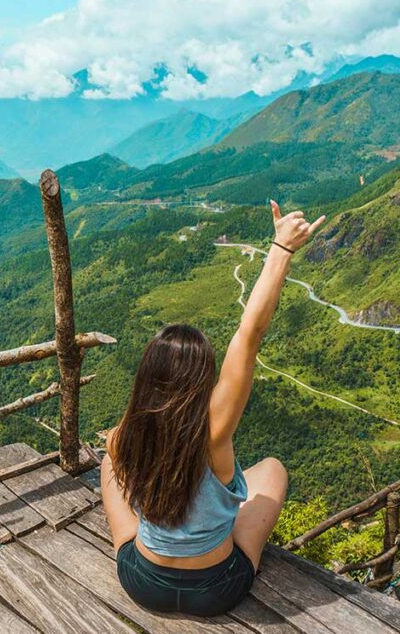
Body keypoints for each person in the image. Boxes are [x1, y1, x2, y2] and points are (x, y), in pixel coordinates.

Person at [101, 200, 327, 616]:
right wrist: (282, 249)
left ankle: (144, 544)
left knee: (109, 460)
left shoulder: (126, 437)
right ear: (204, 380)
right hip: (218, 590)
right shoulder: (214, 433)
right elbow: (250, 332)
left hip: (142, 584)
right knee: (272, 468)